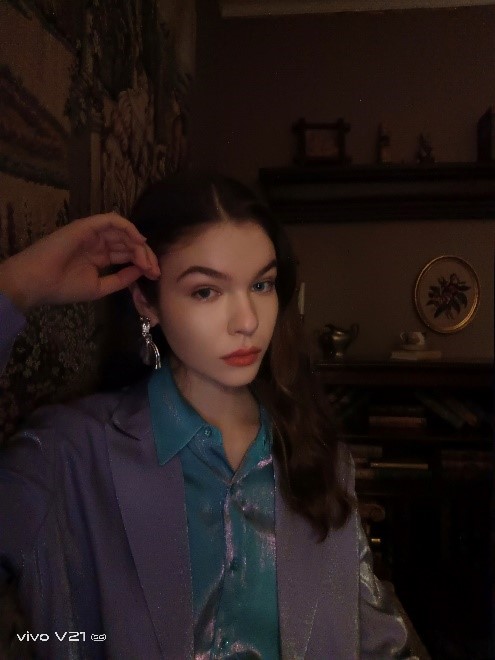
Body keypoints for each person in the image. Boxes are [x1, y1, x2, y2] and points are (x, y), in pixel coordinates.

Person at [0, 172, 414, 659]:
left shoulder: (318, 455)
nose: (248, 321)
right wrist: (16, 286)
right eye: (206, 292)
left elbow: (377, 641)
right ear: (146, 302)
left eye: (261, 284)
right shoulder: (67, 455)